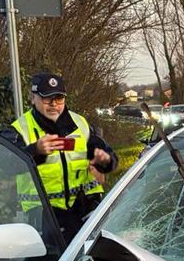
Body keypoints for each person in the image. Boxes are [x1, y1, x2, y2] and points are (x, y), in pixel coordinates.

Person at [11, 72, 118, 242]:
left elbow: (108, 157)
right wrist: (34, 151)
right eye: (47, 98)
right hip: (44, 216)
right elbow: (4, 166)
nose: (54, 104)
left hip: (85, 209)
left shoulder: (79, 123)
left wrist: (105, 161)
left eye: (59, 98)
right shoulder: (19, 129)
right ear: (32, 98)